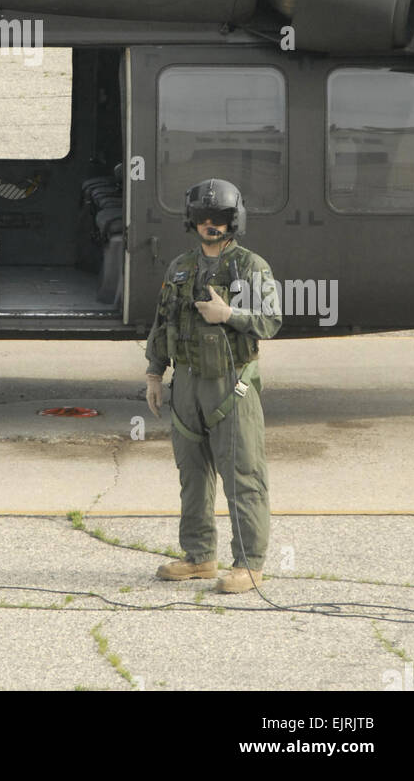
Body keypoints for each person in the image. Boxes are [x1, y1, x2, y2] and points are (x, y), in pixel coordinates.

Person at [145, 178, 282, 593]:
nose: (211, 225)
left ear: (233, 220)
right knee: (193, 472)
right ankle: (199, 556)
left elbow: (271, 321)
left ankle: (249, 563)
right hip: (185, 381)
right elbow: (163, 320)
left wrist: (229, 316)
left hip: (231, 383)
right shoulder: (180, 267)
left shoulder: (251, 266)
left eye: (219, 217)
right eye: (204, 218)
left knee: (242, 471)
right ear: (192, 222)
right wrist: (155, 372)